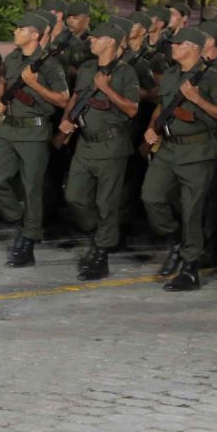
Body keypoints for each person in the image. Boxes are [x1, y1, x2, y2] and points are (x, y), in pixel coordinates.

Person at [141, 26, 217, 293]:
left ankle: (190, 269)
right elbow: (162, 105)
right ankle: (176, 239)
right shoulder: (170, 75)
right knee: (151, 196)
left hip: (197, 150)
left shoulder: (212, 79)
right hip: (168, 148)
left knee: (192, 210)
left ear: (193, 48)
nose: (173, 47)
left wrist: (197, 99)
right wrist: (152, 127)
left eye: (179, 44)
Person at [0, 11, 69, 266]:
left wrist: (35, 85)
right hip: (9, 129)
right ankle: (22, 220)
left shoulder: (50, 64)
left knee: (32, 188)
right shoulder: (14, 57)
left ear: (34, 35)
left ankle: (28, 240)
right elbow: (4, 83)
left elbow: (63, 99)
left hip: (34, 131)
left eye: (20, 29)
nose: (15, 32)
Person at [60, 20, 140, 280]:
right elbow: (75, 97)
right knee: (74, 196)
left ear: (111, 43)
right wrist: (67, 118)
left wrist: (105, 87)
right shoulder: (86, 68)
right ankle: (103, 234)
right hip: (85, 143)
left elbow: (131, 109)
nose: (91, 41)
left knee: (106, 203)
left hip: (111, 145)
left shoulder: (126, 73)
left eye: (96, 38)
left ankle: (101, 254)